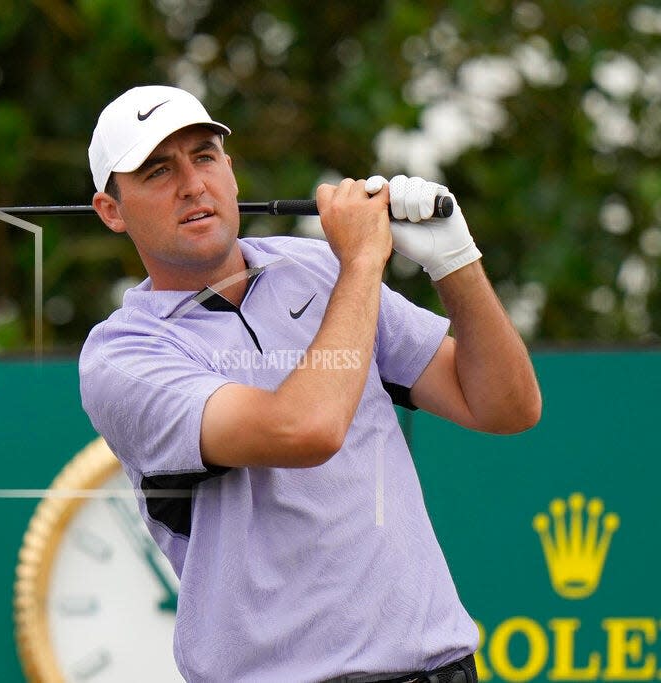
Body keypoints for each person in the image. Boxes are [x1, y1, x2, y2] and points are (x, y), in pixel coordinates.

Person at [79, 84, 541, 682]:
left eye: (204, 156)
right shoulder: (123, 356)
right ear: (111, 210)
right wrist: (364, 261)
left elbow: (507, 406)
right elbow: (305, 429)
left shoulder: (319, 269)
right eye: (157, 171)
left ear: (231, 171)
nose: (192, 185)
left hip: (442, 667)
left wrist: (455, 262)